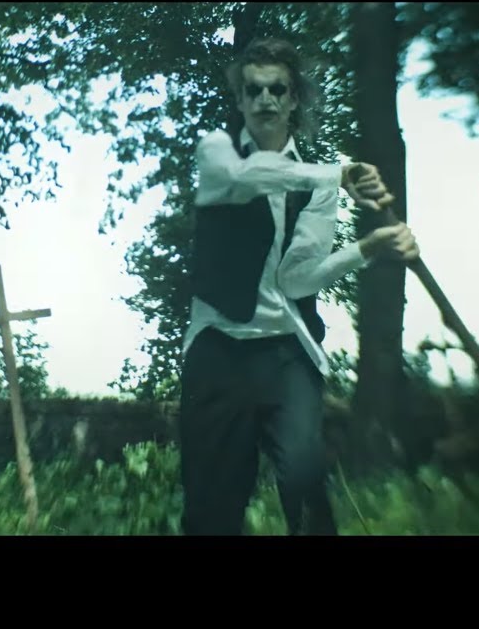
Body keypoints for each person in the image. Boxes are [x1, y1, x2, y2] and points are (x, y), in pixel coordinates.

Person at [178, 37, 420, 535]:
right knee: (211, 505)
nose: (265, 99)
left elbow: (297, 279)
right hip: (217, 350)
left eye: (277, 89)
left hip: (285, 352)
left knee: (304, 477)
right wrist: (338, 174)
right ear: (240, 99)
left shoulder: (318, 187)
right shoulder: (217, 153)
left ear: (293, 99)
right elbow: (250, 177)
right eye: (254, 90)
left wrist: (368, 247)